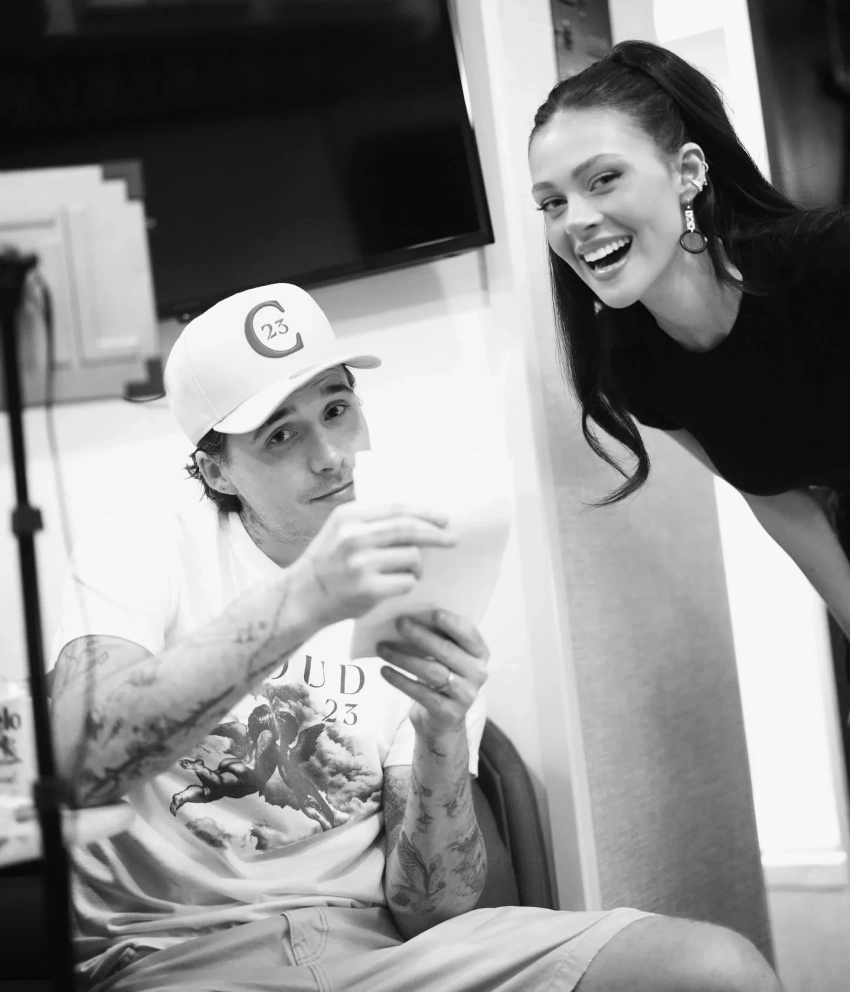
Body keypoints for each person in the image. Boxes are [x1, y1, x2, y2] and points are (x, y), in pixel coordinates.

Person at [49, 282, 781, 991]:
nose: (331, 454)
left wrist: (442, 736)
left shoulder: (427, 577)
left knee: (718, 970)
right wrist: (302, 600)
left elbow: (433, 911)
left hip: (384, 953)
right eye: (281, 434)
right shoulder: (142, 552)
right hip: (187, 958)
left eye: (337, 409)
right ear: (217, 470)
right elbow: (80, 761)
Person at [528, 40, 850, 670]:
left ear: (687, 172)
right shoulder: (632, 367)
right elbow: (776, 497)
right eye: (552, 202)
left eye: (603, 179)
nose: (576, 221)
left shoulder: (830, 262)